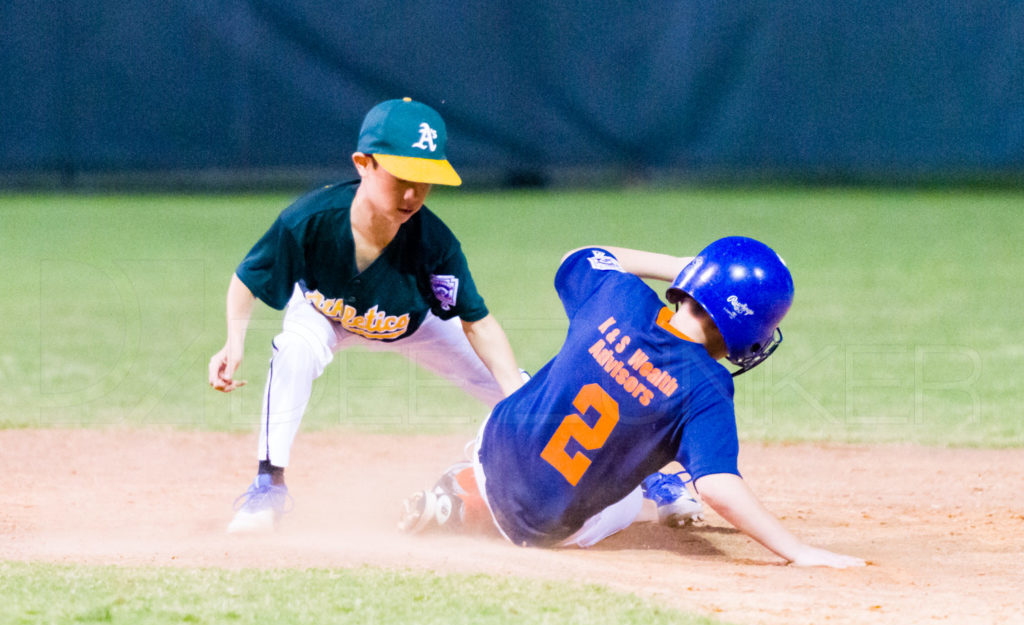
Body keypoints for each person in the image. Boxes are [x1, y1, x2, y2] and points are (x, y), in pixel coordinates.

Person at [399, 237, 866, 568]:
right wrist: (799, 551)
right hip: (538, 526)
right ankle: (662, 483)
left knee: (577, 378)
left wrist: (682, 266)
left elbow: (581, 255)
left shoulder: (618, 295)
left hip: (494, 443)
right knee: (639, 472)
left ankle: (464, 489)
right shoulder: (708, 388)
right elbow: (720, 487)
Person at [209, 98, 526, 533]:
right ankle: (268, 488)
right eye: (402, 177)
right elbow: (248, 278)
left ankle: (601, 474)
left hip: (414, 324)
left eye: (426, 180)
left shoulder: (435, 243)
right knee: (294, 350)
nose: (413, 194)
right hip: (323, 310)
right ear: (364, 163)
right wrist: (234, 341)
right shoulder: (310, 220)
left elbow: (477, 321)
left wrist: (517, 397)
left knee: (526, 396)